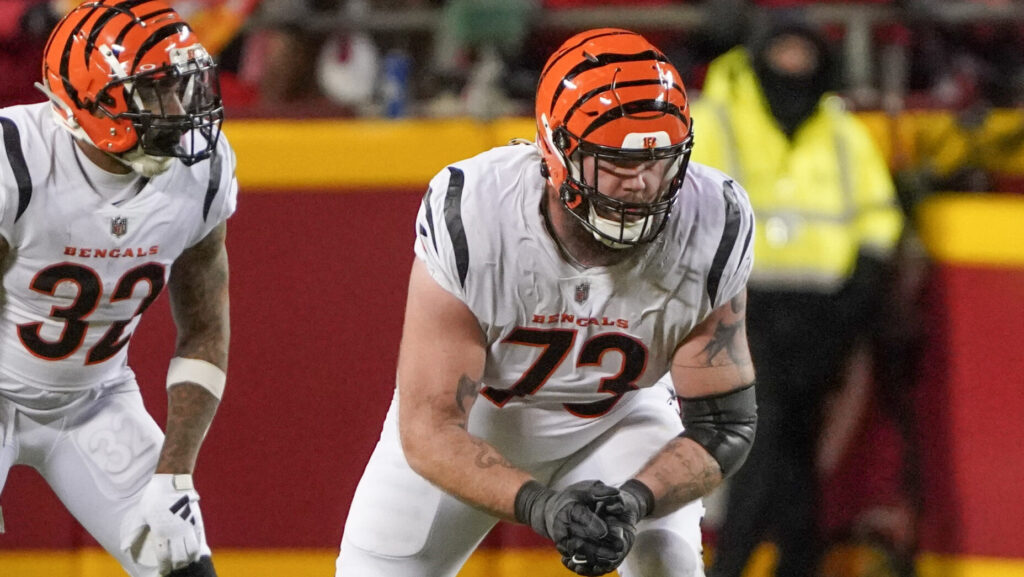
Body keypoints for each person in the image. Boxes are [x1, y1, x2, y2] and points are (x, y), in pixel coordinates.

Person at [338, 28, 758, 577]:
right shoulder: (476, 214)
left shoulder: (712, 220)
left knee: (667, 566)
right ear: (556, 149)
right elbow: (431, 426)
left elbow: (724, 424)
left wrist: (634, 500)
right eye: (615, 162)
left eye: (657, 161)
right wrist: (541, 505)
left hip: (619, 417)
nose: (639, 184)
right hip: (478, 421)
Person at [0, 1, 238, 576]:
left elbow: (204, 330)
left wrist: (175, 475)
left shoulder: (200, 171)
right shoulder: (16, 161)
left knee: (181, 563)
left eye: (180, 86)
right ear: (93, 98)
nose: (180, 109)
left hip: (96, 399)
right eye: (156, 91)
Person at [689, 20, 905, 577]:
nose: (792, 66)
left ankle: (786, 563)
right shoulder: (717, 120)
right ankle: (739, 564)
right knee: (767, 433)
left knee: (792, 443)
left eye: (802, 53)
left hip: (823, 315)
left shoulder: (839, 130)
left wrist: (862, 283)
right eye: (781, 52)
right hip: (740, 308)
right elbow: (688, 208)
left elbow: (879, 214)